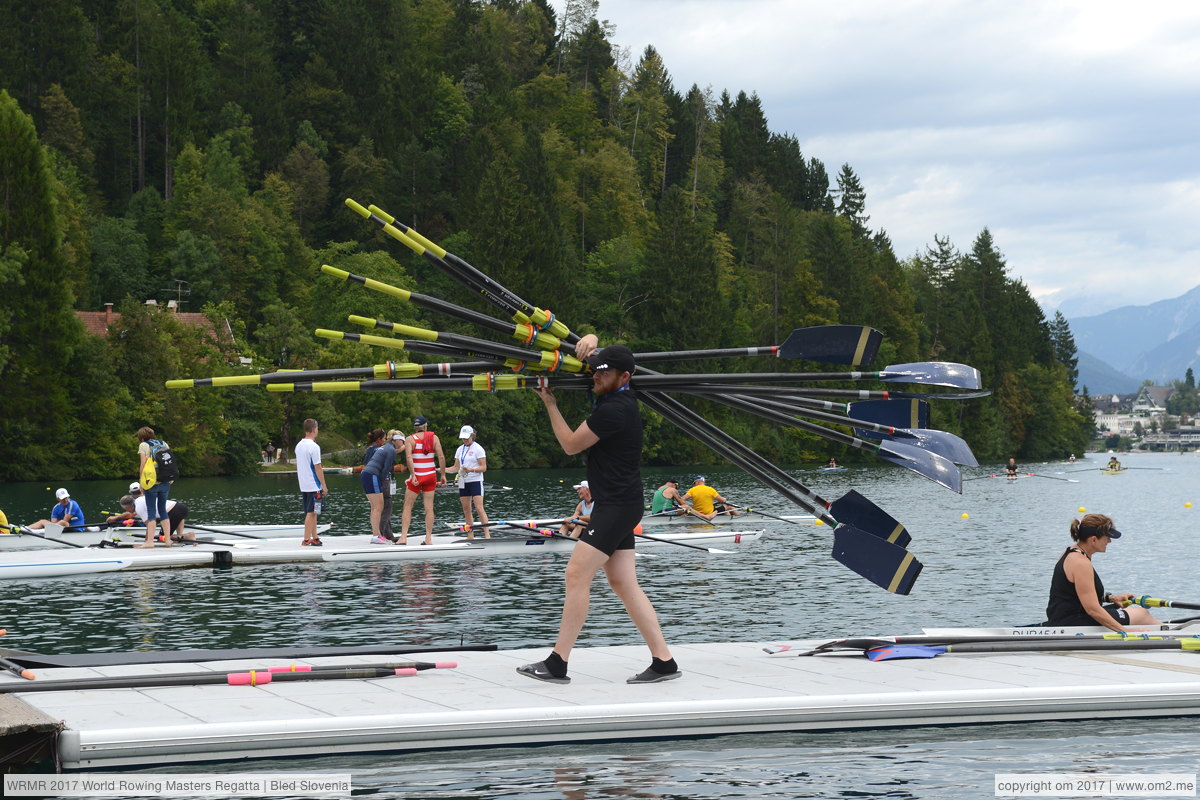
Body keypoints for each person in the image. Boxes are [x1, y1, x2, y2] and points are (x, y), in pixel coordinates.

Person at [521, 341, 679, 685]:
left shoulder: (615, 410)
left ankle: (557, 663)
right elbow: (594, 352)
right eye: (596, 369)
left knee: (576, 575)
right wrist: (590, 339)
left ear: (625, 376)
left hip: (617, 506)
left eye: (605, 371)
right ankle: (664, 661)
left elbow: (569, 444)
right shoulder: (616, 396)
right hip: (621, 503)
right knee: (623, 582)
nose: (597, 374)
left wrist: (550, 403)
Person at [1044, 513, 1158, 631]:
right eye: (1107, 537)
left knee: (1134, 613)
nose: (1109, 541)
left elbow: (1074, 594)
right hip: (1072, 622)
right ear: (1093, 539)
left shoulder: (1070, 552)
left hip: (1065, 617)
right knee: (1141, 614)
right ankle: (1169, 639)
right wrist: (1126, 632)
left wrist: (1111, 599)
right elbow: (1092, 610)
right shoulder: (1081, 563)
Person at [400, 416, 447, 545]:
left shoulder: (410, 439)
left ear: (415, 427)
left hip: (418, 476)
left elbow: (409, 457)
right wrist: (443, 475)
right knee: (429, 508)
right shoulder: (434, 438)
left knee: (408, 507)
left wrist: (413, 474)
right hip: (431, 475)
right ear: (425, 426)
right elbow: (441, 457)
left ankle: (403, 537)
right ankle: (428, 539)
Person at [108, 483, 193, 542]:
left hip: (174, 512)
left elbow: (150, 524)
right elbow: (130, 514)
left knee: (161, 539)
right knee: (167, 534)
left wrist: (147, 540)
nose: (127, 511)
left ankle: (187, 536)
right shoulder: (139, 500)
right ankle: (180, 536)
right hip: (180, 507)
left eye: (126, 509)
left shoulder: (138, 507)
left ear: (128, 507)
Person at [136, 426, 175, 548]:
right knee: (163, 510)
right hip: (165, 481)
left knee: (151, 512)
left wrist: (142, 482)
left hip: (151, 482)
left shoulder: (144, 445)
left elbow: (143, 464)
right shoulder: (164, 443)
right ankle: (168, 540)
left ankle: (149, 542)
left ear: (141, 437)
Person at [449, 425, 490, 540]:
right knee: (466, 509)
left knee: (478, 507)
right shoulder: (459, 449)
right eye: (463, 438)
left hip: (475, 480)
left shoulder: (478, 449)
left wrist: (472, 470)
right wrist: (441, 470)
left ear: (472, 436)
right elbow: (456, 467)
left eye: (467, 437)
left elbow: (484, 467)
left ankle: (487, 534)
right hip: (463, 481)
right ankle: (470, 534)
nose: (465, 440)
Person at [296, 418, 329, 546]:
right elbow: (318, 467)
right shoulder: (314, 446)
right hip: (313, 484)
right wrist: (324, 486)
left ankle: (315, 537)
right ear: (314, 429)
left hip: (304, 484)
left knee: (314, 511)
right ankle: (305, 539)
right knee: (311, 513)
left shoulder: (299, 445)